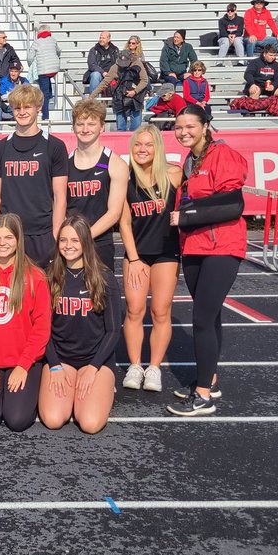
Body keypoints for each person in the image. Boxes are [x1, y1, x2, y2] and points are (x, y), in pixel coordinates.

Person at [167, 105, 248, 417]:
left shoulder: (221, 154)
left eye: (190, 126)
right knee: (210, 318)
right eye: (179, 127)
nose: (184, 131)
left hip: (221, 246)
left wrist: (187, 214)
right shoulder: (191, 160)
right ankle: (209, 380)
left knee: (201, 319)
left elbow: (232, 203)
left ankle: (202, 397)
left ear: (205, 125)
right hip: (195, 246)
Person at [38, 215, 120, 433]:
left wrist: (94, 368)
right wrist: (54, 364)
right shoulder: (49, 277)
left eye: (75, 240)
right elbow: (41, 328)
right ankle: (74, 391)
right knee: (54, 419)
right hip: (61, 359)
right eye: (63, 240)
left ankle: (103, 387)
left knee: (90, 424)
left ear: (86, 242)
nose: (68, 246)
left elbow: (113, 330)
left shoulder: (104, 277)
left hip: (95, 360)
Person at [0, 213, 50, 431]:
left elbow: (41, 329)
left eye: (8, 238)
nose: (2, 243)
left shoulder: (35, 278)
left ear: (18, 240)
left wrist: (24, 366)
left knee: (17, 420)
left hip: (23, 361)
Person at [118, 123, 181, 393]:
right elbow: (123, 222)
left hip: (167, 253)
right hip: (137, 254)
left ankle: (154, 367)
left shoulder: (174, 175)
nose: (142, 150)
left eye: (148, 145)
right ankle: (135, 365)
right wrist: (133, 259)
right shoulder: (126, 178)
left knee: (161, 311)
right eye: (137, 145)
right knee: (134, 309)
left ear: (158, 148)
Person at [0, 82, 68, 268]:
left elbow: (60, 196)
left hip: (43, 234)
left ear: (38, 108)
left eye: (27, 107)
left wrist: (56, 234)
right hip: (9, 235)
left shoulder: (54, 146)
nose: (22, 112)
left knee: (45, 293)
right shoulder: (0, 148)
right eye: (17, 107)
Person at [66, 97, 130, 271]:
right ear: (73, 128)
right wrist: (70, 238)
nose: (85, 129)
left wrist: (84, 237)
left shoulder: (115, 164)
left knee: (100, 297)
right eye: (80, 124)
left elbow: (114, 213)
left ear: (102, 126)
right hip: (69, 244)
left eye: (91, 124)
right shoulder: (64, 164)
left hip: (99, 242)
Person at [107, 48, 145, 132]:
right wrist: (92, 96)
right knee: (121, 128)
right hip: (120, 97)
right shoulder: (115, 67)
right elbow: (105, 82)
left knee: (136, 129)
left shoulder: (138, 63)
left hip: (136, 98)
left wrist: (135, 91)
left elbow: (144, 80)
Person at [28, 25, 62, 119]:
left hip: (43, 70)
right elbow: (59, 51)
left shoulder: (37, 42)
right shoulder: (53, 40)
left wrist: (30, 64)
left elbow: (30, 56)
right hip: (54, 68)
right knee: (47, 79)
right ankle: (50, 94)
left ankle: (45, 115)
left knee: (44, 93)